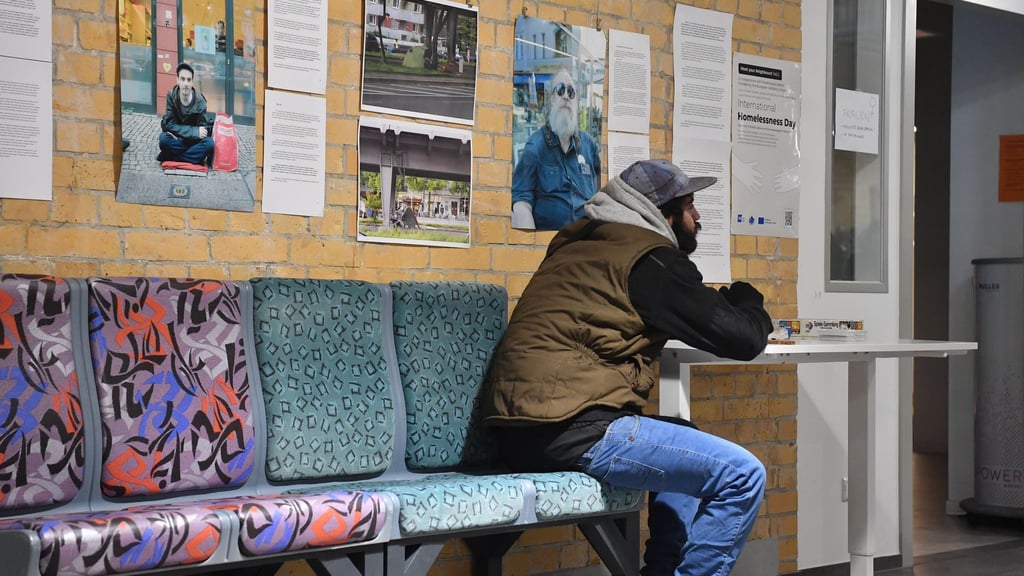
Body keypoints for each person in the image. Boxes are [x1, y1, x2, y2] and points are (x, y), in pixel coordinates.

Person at [484, 159, 773, 576]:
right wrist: (750, 301)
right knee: (742, 476)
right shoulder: (649, 260)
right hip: (571, 427)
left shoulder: (585, 244)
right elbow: (742, 338)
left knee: (684, 436)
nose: (697, 218)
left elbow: (691, 307)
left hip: (519, 429)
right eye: (689, 207)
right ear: (664, 213)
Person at [511, 67, 601, 231]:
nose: (566, 96)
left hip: (586, 239)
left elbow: (599, 197)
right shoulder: (535, 146)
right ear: (551, 99)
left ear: (575, 101)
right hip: (552, 241)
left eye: (571, 92)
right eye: (560, 90)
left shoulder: (589, 146)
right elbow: (521, 203)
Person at [157, 62, 213, 166]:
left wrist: (197, 133)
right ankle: (192, 158)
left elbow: (203, 130)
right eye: (182, 79)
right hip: (177, 139)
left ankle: (175, 157)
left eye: (188, 80)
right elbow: (170, 124)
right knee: (163, 139)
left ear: (192, 82)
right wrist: (194, 131)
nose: (186, 84)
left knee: (209, 144)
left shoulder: (200, 101)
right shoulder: (171, 96)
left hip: (193, 142)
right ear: (177, 80)